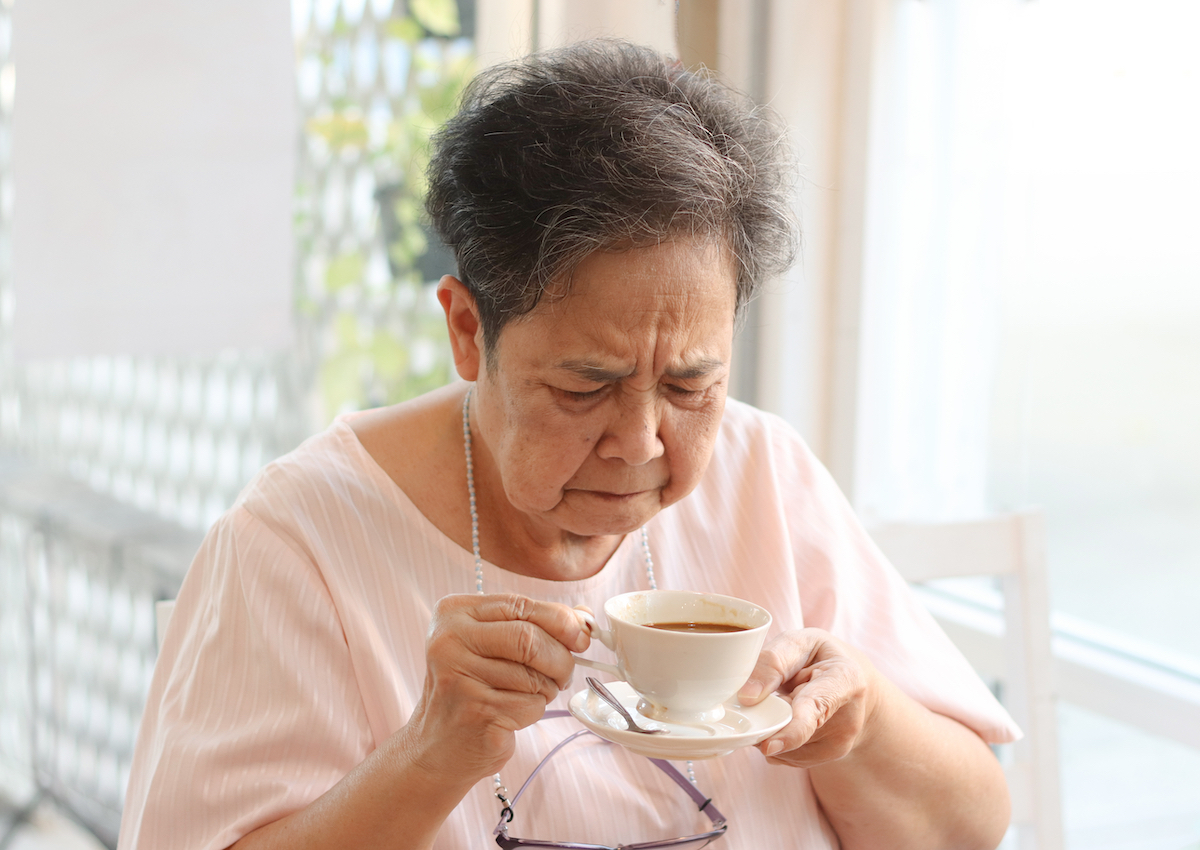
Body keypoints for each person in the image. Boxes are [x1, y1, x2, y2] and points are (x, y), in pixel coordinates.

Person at [119, 39, 1019, 850]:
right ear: (469, 333)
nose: (637, 443)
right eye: (584, 387)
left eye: (688, 385)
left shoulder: (762, 474)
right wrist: (430, 756)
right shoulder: (298, 541)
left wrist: (860, 726)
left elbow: (971, 825)